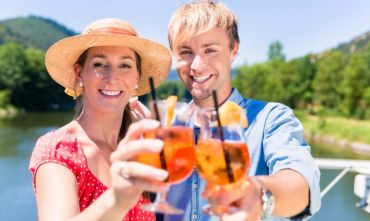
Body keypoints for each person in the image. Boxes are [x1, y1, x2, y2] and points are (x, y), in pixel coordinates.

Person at [161, 1, 321, 220]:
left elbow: (300, 183)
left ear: (233, 50)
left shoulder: (271, 119)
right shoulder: (165, 128)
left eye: (210, 50)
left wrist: (258, 193)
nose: (196, 65)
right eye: (185, 52)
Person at [29, 18, 172, 221]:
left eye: (125, 65)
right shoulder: (58, 149)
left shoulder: (142, 149)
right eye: (99, 64)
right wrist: (118, 199)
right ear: (80, 74)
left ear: (137, 77)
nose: (112, 77)